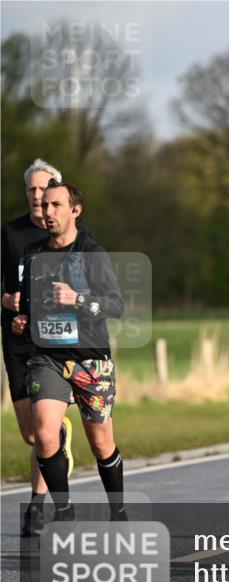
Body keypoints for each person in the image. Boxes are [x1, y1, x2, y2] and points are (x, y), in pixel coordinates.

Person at [12, 180, 125, 521]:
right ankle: (64, 510)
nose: (48, 212)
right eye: (44, 206)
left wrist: (77, 300)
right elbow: (29, 305)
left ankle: (117, 510)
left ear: (75, 210)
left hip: (90, 359)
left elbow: (116, 306)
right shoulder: (32, 254)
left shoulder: (91, 253)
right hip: (47, 358)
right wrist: (23, 319)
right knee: (45, 434)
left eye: (56, 205)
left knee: (101, 443)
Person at [1, 160, 73, 535]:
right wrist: (5, 299)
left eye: (43, 190)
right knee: (32, 435)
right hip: (15, 338)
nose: (36, 196)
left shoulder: (66, 235)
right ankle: (58, 437)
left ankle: (37, 506)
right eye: (30, 190)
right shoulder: (10, 233)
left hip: (50, 340)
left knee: (44, 430)